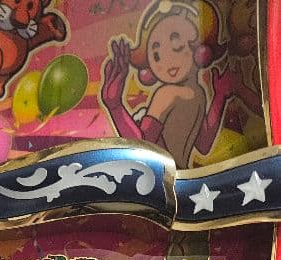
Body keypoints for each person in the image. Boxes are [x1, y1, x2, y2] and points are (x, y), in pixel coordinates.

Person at [101, 0, 260, 167]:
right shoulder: (167, 94)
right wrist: (115, 106)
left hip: (175, 176)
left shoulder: (196, 92)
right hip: (165, 175)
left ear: (199, 49)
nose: (168, 60)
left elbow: (203, 144)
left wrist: (219, 96)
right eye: (156, 56)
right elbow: (143, 147)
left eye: (177, 47)